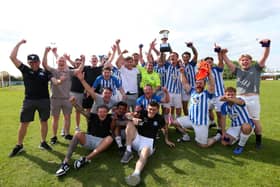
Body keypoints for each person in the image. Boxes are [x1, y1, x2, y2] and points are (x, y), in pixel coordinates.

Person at [221, 39, 271, 148]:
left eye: (247, 60)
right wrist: (223, 54)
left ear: (250, 61)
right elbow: (228, 63)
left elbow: (264, 57)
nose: (245, 61)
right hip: (239, 98)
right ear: (240, 62)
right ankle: (239, 135)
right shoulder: (238, 71)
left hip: (252, 98)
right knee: (238, 118)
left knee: (255, 120)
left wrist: (266, 45)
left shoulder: (256, 68)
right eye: (242, 60)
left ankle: (258, 140)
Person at [9, 39, 52, 157]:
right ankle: (19, 145)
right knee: (24, 123)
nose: (33, 64)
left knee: (44, 121)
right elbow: (12, 57)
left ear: (38, 62)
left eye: (35, 62)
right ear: (29, 63)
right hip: (29, 100)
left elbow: (54, 80)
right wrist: (19, 43)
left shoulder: (45, 72)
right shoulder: (25, 70)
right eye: (31, 62)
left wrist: (59, 81)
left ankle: (43, 142)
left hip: (44, 100)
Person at [120, 102, 175, 186]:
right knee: (130, 124)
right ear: (147, 108)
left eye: (154, 110)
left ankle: (136, 174)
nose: (151, 111)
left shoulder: (160, 118)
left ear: (157, 110)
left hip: (148, 142)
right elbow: (127, 115)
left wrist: (167, 140)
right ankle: (128, 151)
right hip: (137, 138)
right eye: (150, 109)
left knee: (144, 154)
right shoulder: (142, 112)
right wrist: (132, 118)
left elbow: (165, 128)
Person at [55, 104, 114, 176]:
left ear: (107, 112)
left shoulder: (111, 118)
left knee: (110, 138)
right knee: (77, 133)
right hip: (90, 139)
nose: (102, 114)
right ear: (97, 112)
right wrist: (74, 103)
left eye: (104, 112)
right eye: (100, 112)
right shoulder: (92, 116)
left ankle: (85, 159)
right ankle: (65, 163)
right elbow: (82, 111)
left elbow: (119, 123)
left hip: (102, 142)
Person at [42, 47, 84, 145]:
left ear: (65, 62)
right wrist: (46, 52)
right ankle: (54, 136)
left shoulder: (68, 72)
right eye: (60, 60)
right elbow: (44, 64)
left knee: (67, 117)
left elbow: (79, 70)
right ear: (57, 61)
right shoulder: (53, 70)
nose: (61, 62)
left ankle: (67, 133)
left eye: (63, 60)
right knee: (55, 118)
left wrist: (83, 61)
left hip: (66, 99)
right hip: (55, 99)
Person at [172, 66, 220, 147]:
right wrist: (182, 73)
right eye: (197, 83)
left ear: (204, 85)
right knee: (174, 122)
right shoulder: (193, 91)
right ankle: (186, 136)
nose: (198, 85)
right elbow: (185, 83)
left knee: (203, 145)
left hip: (201, 123)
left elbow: (212, 84)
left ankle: (217, 137)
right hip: (191, 120)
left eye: (200, 83)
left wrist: (209, 73)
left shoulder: (207, 94)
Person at [219, 87, 255, 154]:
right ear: (225, 95)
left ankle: (240, 145)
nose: (230, 96)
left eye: (232, 94)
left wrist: (227, 98)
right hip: (235, 126)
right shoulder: (224, 106)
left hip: (246, 124)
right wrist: (223, 132)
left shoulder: (239, 100)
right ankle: (239, 136)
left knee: (245, 127)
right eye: (228, 94)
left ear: (235, 95)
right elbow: (223, 120)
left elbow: (241, 102)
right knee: (224, 142)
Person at [181, 42, 198, 116]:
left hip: (193, 87)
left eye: (187, 57)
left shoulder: (192, 64)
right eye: (184, 57)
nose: (185, 58)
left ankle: (195, 118)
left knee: (195, 104)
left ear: (189, 58)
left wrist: (192, 47)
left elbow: (195, 54)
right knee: (184, 106)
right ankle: (188, 119)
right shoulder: (180, 65)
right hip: (184, 88)